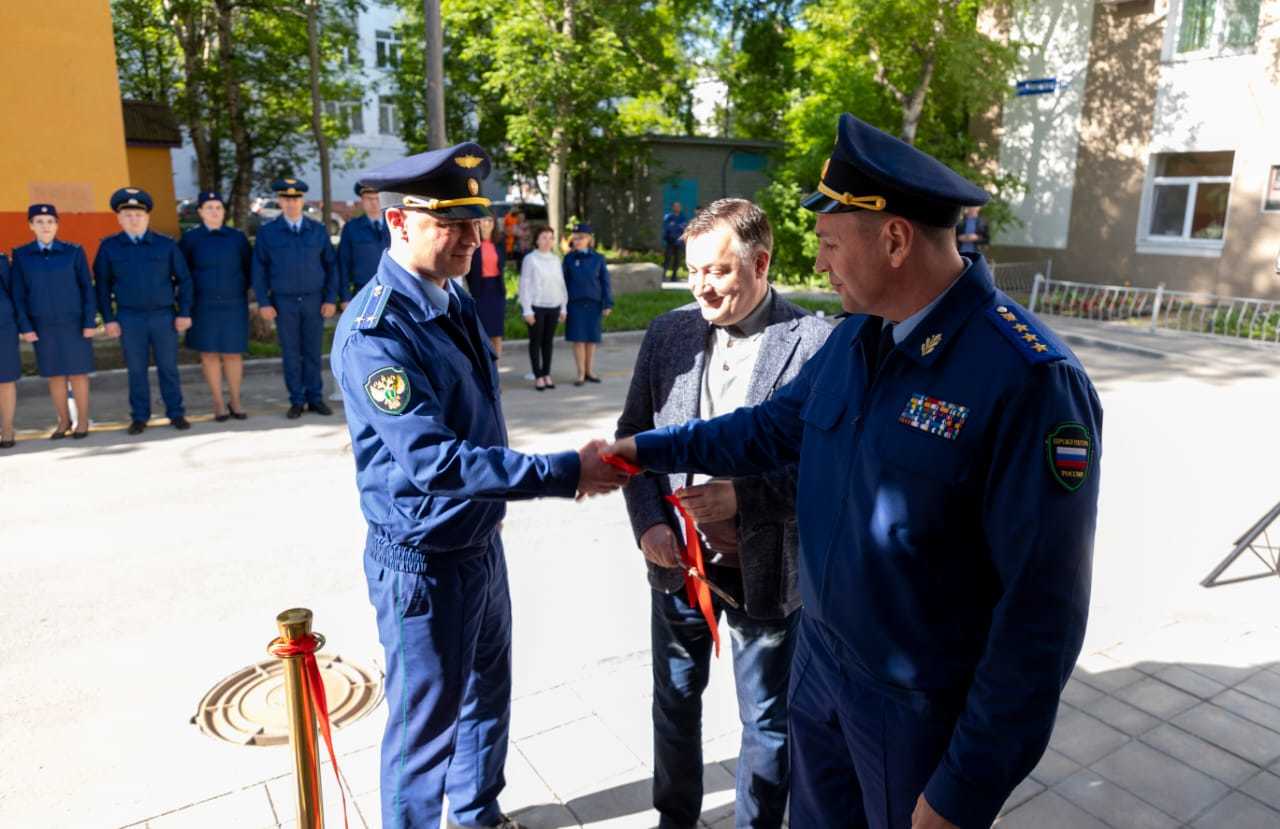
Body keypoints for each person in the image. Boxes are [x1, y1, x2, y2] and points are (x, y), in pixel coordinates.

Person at [605, 113, 1102, 829]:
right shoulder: (856, 339)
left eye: (831, 243)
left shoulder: (1027, 380)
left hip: (913, 710)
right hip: (819, 667)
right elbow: (768, 428)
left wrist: (965, 787)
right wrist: (645, 451)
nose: (820, 262)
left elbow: (1042, 616)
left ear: (895, 239)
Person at [330, 142, 631, 829]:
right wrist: (564, 471)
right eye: (453, 224)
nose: (474, 238)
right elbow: (435, 462)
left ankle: (477, 815)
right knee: (422, 732)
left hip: (478, 545)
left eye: (479, 221)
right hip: (424, 563)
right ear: (399, 222)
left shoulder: (452, 294)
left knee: (488, 697)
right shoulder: (376, 333)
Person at [615, 198, 831, 829]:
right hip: (677, 568)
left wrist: (745, 497)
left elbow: (827, 467)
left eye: (717, 271)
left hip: (763, 576)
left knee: (766, 720)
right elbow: (633, 434)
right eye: (692, 271)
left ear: (760, 263)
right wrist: (649, 521)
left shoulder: (815, 342)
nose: (700, 286)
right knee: (674, 704)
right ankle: (674, 820)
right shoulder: (668, 332)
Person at [94, 187, 193, 435]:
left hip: (163, 316)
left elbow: (185, 280)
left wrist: (184, 312)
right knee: (136, 370)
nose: (133, 219)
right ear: (119, 218)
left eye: (138, 214)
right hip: (129, 318)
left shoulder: (165, 245)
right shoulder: (109, 247)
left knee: (168, 367)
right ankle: (140, 416)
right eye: (127, 215)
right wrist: (109, 319)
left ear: (147, 217)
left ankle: (176, 413)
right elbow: (102, 286)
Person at [251, 177, 339, 419]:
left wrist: (331, 298)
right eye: (286, 199)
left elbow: (331, 267)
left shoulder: (317, 230)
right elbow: (259, 270)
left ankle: (315, 398)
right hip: (283, 303)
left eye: (296, 198)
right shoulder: (268, 233)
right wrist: (264, 302)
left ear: (302, 201)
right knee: (291, 353)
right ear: (280, 201)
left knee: (312, 352)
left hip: (314, 300)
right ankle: (297, 400)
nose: (291, 203)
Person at [12, 204, 97, 439]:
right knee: (55, 375)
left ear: (57, 225)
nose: (45, 226)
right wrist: (26, 326)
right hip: (42, 326)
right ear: (31, 225)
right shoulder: (21, 255)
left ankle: (82, 421)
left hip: (74, 323)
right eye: (39, 221)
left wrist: (89, 321)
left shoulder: (73, 251)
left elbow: (87, 289)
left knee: (78, 373)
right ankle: (63, 421)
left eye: (50, 221)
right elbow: (19, 295)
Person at [179, 191, 252, 421]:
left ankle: (236, 400)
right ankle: (218, 403)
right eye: (209, 207)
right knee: (209, 355)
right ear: (200, 212)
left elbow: (249, 269)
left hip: (233, 304)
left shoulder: (237, 238)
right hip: (203, 305)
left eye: (218, 207)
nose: (214, 211)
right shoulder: (190, 239)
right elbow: (183, 275)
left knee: (233, 354)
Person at [518, 225, 567, 390]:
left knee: (548, 342)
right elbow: (524, 285)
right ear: (537, 240)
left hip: (554, 306)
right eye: (544, 237)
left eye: (550, 237)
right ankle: (537, 375)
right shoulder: (530, 259)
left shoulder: (555, 259)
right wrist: (527, 310)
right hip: (536, 308)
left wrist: (563, 307)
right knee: (536, 342)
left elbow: (561, 284)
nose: (548, 241)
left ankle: (546, 374)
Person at [562, 223, 612, 386]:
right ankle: (580, 374)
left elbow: (605, 282)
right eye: (575, 238)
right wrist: (562, 306)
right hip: (575, 304)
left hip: (593, 304)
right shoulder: (569, 259)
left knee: (591, 339)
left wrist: (607, 303)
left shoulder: (598, 258)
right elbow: (563, 283)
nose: (578, 241)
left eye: (581, 237)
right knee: (578, 339)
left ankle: (590, 371)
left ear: (589, 239)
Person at [338, 182, 391, 305]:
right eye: (369, 199)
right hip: (363, 290)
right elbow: (343, 264)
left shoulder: (394, 225)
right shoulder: (351, 228)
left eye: (378, 198)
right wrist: (345, 297)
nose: (374, 203)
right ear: (362, 200)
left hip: (393, 290)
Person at [465, 215, 507, 356]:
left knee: (497, 332)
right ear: (477, 222)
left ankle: (496, 370)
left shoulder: (499, 243)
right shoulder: (473, 243)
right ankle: (486, 369)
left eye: (490, 220)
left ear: (494, 223)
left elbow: (502, 266)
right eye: (484, 220)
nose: (487, 223)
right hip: (479, 290)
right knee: (482, 332)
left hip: (496, 289)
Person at [0, 250, 18, 448]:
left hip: (2, 326)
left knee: (4, 378)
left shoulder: (1, 260)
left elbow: (12, 292)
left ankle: (7, 429)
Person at [662, 202, 688, 281]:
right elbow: (667, 229)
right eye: (675, 206)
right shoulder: (668, 217)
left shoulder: (682, 218)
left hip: (679, 242)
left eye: (679, 206)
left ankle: (674, 277)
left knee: (677, 260)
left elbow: (684, 229)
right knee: (667, 259)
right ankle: (663, 276)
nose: (677, 208)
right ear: (673, 208)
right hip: (670, 242)